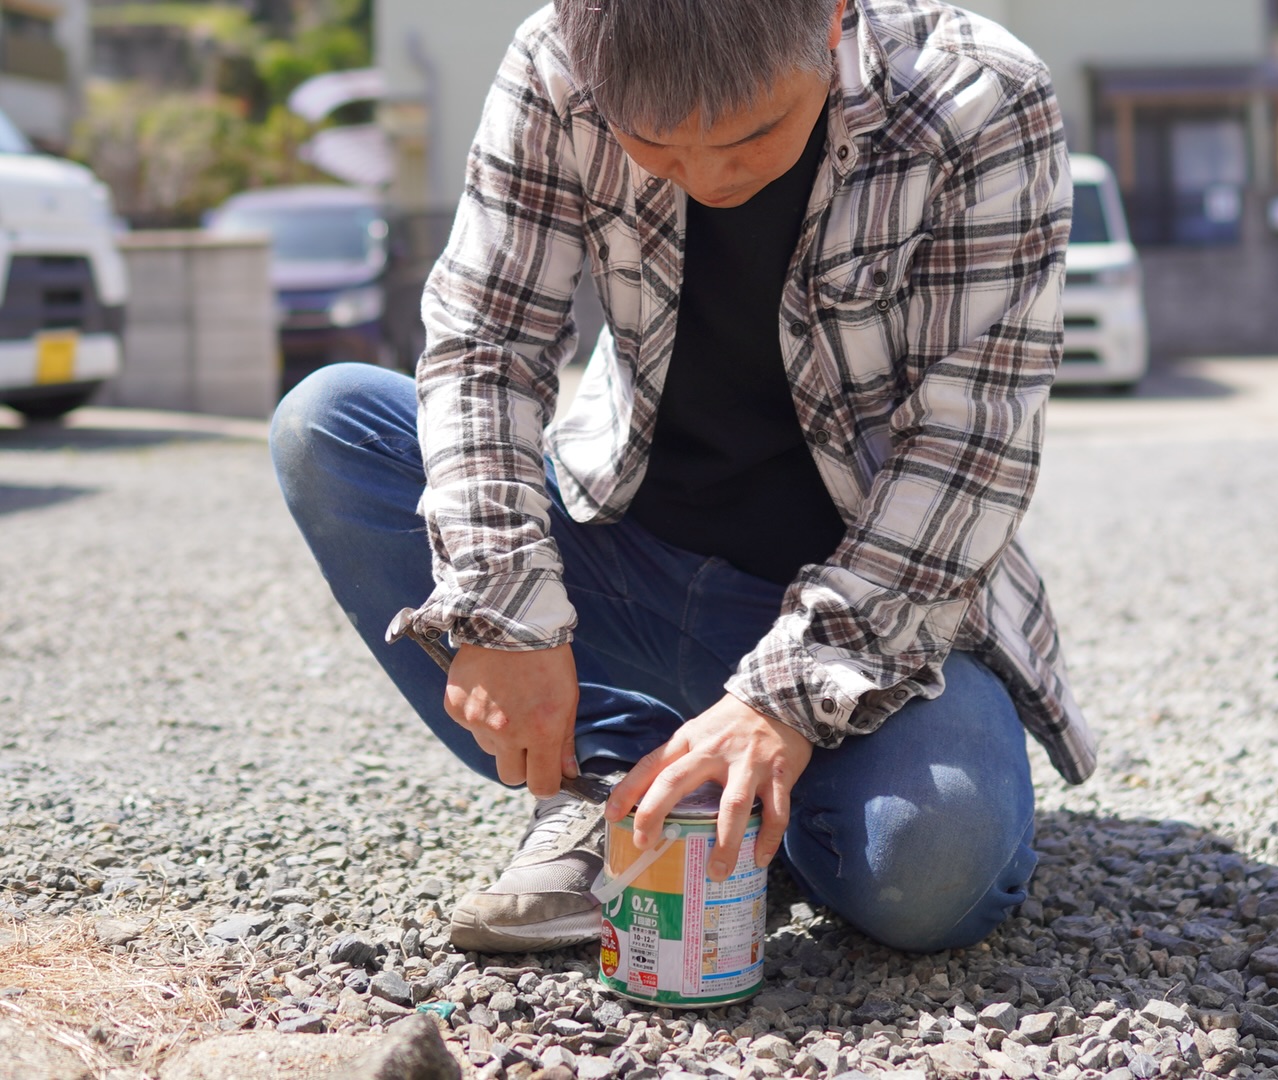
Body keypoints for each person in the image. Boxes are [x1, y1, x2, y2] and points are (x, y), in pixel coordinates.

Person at [270, 0, 1096, 956]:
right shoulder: (556, 59)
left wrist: (780, 706)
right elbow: (485, 347)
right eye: (653, 145)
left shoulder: (978, 95)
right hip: (630, 553)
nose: (707, 180)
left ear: (831, 21)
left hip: (883, 613)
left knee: (931, 872)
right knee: (329, 426)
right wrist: (503, 606)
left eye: (750, 137)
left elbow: (970, 451)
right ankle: (617, 782)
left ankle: (716, 805)